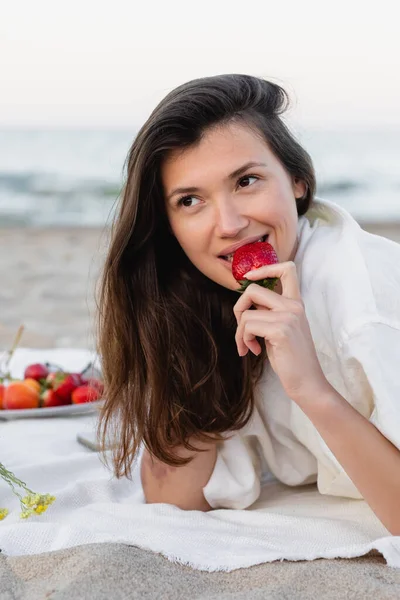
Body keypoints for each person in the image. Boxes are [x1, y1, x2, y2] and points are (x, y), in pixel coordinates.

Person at [96, 74, 400, 533]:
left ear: (297, 180)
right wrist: (182, 344)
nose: (231, 224)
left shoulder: (365, 305)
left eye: (247, 180)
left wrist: (311, 388)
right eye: (191, 200)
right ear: (169, 227)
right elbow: (171, 499)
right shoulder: (215, 295)